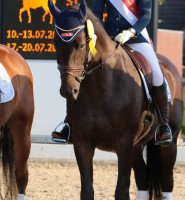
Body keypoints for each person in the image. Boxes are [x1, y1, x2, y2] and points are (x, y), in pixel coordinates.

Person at [52, 0, 172, 145]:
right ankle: (69, 122)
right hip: (109, 38)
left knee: (158, 75)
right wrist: (103, 35)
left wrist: (130, 32)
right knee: (81, 70)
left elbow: (145, 16)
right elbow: (96, 15)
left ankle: (163, 125)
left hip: (136, 38)